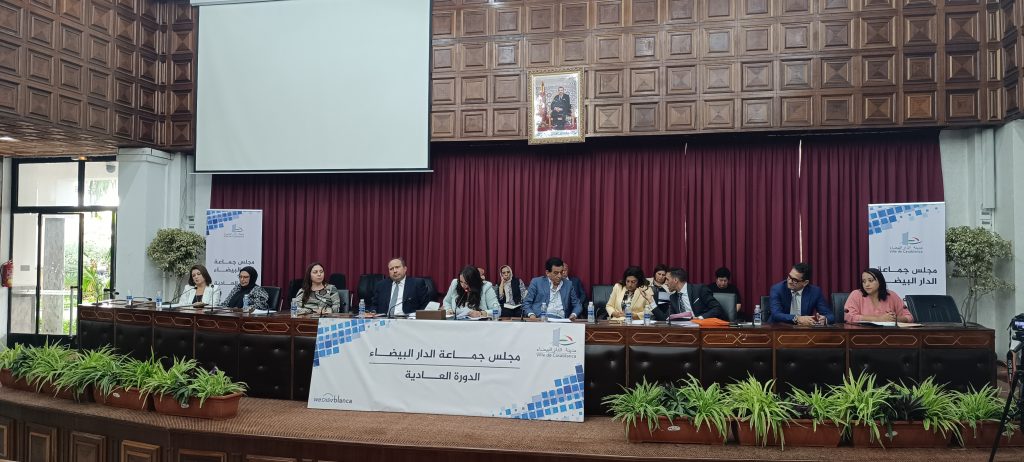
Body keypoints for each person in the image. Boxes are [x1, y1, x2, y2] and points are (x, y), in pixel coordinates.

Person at [768, 262, 835, 325]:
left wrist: (824, 319)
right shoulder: (777, 289)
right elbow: (776, 314)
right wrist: (797, 319)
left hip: (803, 330)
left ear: (805, 283)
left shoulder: (814, 292)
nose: (790, 281)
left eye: (795, 280)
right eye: (789, 276)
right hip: (779, 328)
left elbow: (830, 316)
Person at [652, 268, 725, 321]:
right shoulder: (673, 298)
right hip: (687, 330)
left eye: (667, 279)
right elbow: (665, 318)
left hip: (704, 327)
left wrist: (700, 318)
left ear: (675, 280)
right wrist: (651, 301)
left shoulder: (699, 290)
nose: (665, 283)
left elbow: (717, 308)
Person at [844, 268, 914, 323]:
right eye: (864, 281)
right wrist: (878, 319)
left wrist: (894, 319)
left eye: (870, 280)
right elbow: (849, 317)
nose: (866, 284)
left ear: (880, 281)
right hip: (862, 334)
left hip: (888, 334)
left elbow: (909, 317)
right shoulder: (856, 294)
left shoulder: (891, 295)